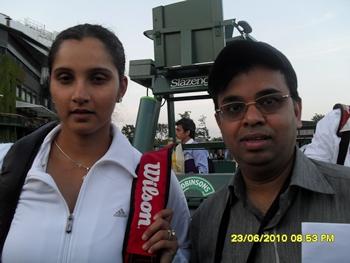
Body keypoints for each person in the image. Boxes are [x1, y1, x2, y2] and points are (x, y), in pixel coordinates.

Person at [0, 24, 190, 263]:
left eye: (97, 79)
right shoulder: (7, 165)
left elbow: (185, 250)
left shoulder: (154, 181)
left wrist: (171, 257)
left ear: (121, 87)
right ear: (50, 85)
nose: (80, 94)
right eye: (65, 78)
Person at [190, 39, 350, 262]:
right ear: (219, 122)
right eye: (234, 108)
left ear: (296, 111)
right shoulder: (205, 221)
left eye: (269, 101)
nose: (252, 118)